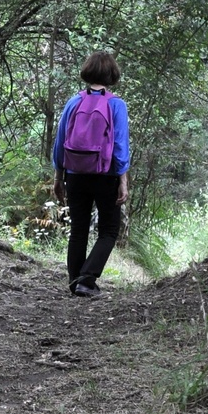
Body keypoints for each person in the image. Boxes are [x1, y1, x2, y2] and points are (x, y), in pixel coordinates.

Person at [51, 51, 130, 298]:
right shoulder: (116, 104)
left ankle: (76, 282)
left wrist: (58, 176)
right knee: (108, 230)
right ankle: (87, 279)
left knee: (79, 230)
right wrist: (122, 179)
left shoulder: (73, 102)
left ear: (87, 72)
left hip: (75, 173)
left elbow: (60, 140)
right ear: (112, 75)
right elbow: (120, 146)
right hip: (105, 175)